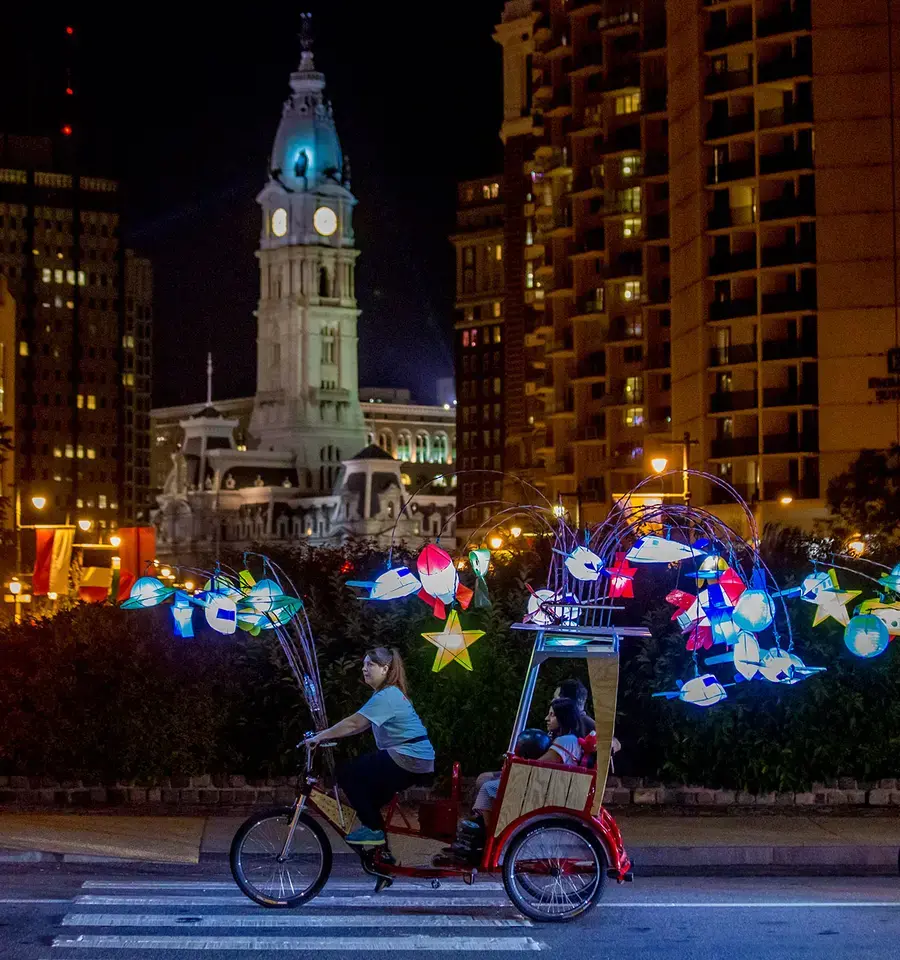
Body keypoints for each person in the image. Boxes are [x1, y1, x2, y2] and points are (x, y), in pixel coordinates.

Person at [308, 647, 434, 846]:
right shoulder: (386, 694)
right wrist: (326, 736)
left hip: (408, 757)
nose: (364, 669)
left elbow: (354, 723)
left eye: (370, 665)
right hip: (413, 757)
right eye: (363, 664)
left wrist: (320, 736)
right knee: (368, 801)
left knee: (346, 773)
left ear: (385, 669)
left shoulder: (387, 696)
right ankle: (383, 857)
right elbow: (358, 726)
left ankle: (375, 831)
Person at [451, 698, 583, 860]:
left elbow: (539, 765)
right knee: (488, 783)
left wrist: (516, 762)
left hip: (543, 788)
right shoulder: (568, 739)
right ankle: (481, 825)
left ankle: (488, 837)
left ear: (563, 718)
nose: (547, 719)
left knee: (487, 788)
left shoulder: (565, 740)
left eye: (552, 715)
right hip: (546, 784)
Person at [555, 677, 621, 764]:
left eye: (556, 699)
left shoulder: (585, 722)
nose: (553, 703)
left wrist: (608, 745)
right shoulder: (560, 721)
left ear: (565, 701)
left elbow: (616, 743)